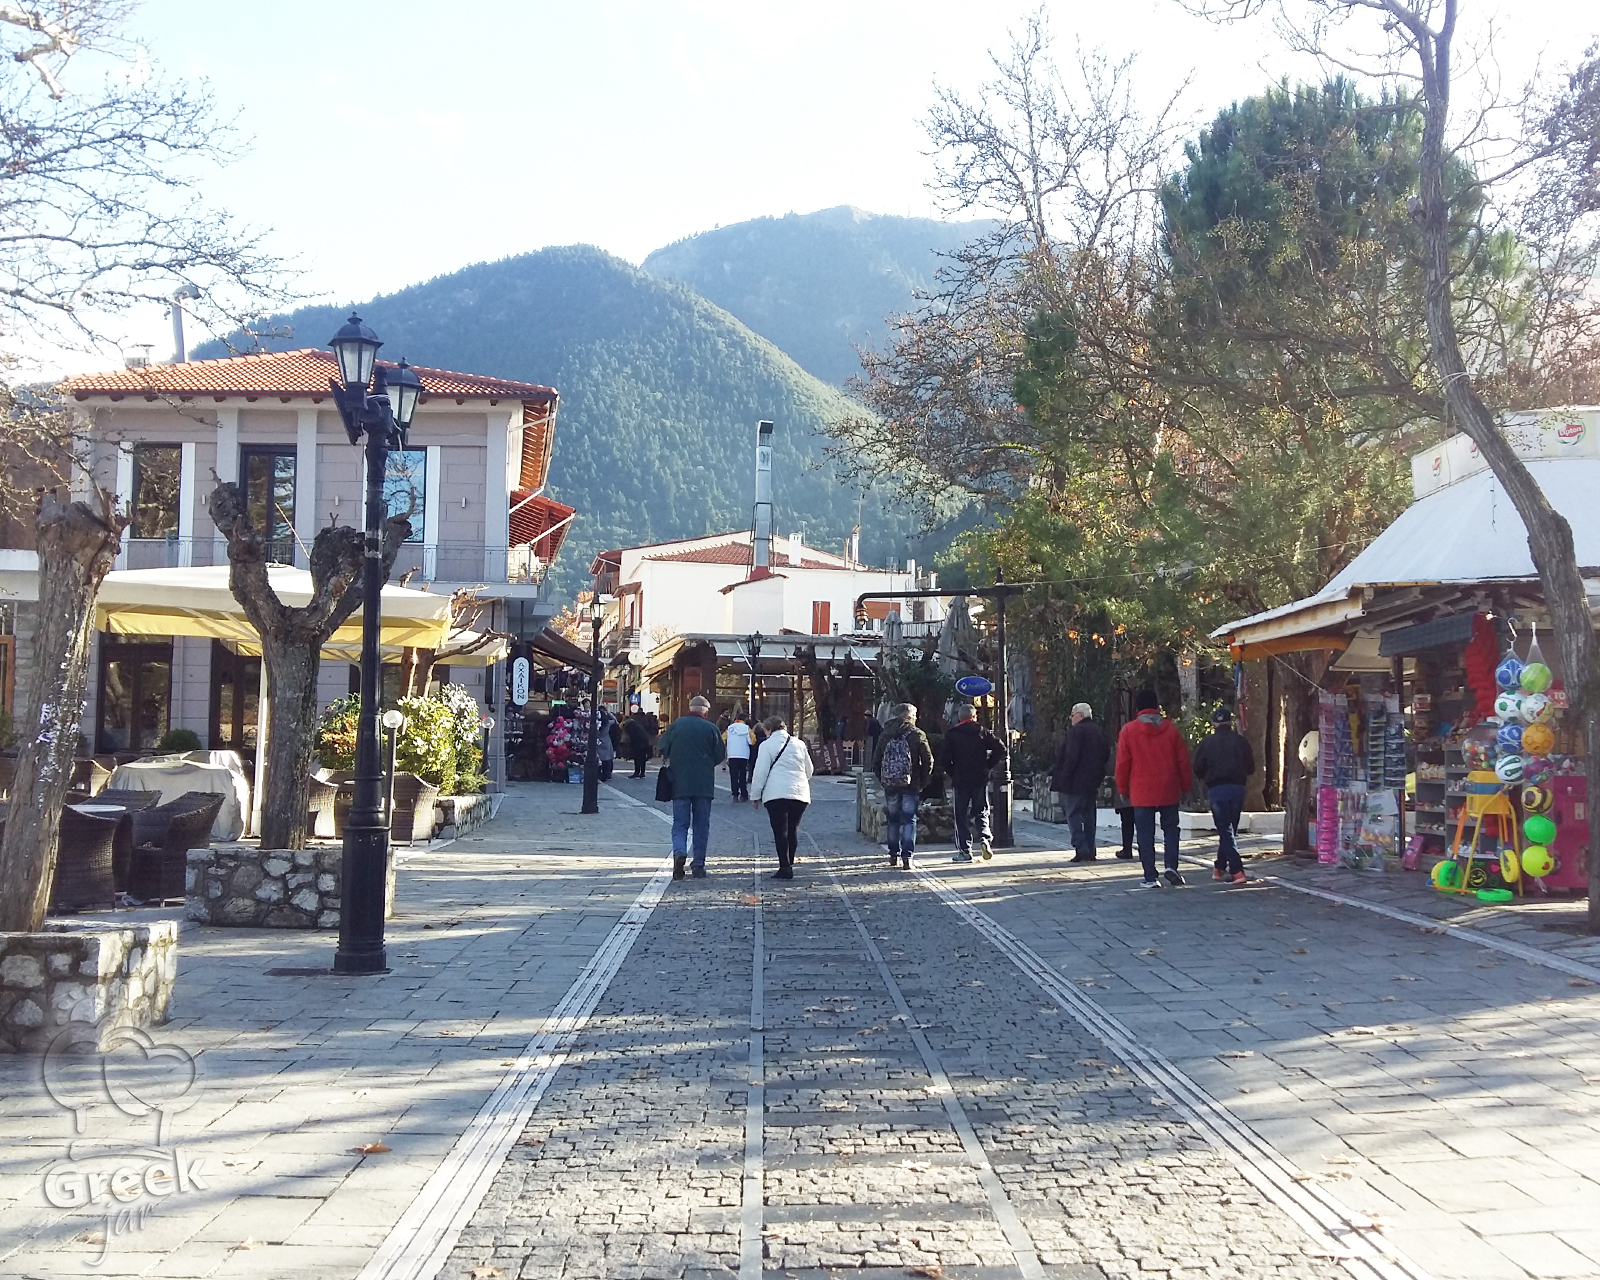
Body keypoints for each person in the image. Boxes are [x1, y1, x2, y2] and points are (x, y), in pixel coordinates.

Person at [1114, 689, 1194, 889]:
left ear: (1137, 707)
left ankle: (1150, 876)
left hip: (1141, 790)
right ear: (1157, 706)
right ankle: (1171, 866)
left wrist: (1122, 789)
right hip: (1168, 788)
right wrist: (1186, 786)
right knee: (1171, 828)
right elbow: (1182, 761)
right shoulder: (1171, 730)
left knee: (1145, 833)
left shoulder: (1129, 731)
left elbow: (1123, 764)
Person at [656, 695, 726, 880]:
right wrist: (707, 763)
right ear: (706, 712)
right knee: (701, 825)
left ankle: (679, 851)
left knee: (680, 823)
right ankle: (698, 865)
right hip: (704, 784)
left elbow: (662, 746)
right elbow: (720, 754)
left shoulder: (677, 725)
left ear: (690, 708)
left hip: (679, 783)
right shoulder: (711, 728)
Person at [1192, 705, 1256, 884]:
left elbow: (1197, 768)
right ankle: (1219, 867)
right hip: (1237, 789)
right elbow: (1251, 767)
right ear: (1230, 722)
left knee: (1225, 830)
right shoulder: (1241, 742)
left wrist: (1207, 777)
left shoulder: (1207, 743)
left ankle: (1237, 870)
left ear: (1214, 723)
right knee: (1229, 830)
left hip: (1217, 789)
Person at [937, 701, 1005, 863]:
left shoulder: (952, 734)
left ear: (959, 718)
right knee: (981, 810)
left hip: (960, 779)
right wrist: (987, 765)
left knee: (961, 815)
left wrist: (953, 772)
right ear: (974, 716)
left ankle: (965, 851)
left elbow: (944, 759)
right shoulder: (982, 732)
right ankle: (984, 839)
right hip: (979, 778)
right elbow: (1001, 748)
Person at [748, 715, 814, 880]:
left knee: (780, 831)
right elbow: (809, 770)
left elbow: (760, 772)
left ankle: (784, 867)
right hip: (799, 793)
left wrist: (755, 795)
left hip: (776, 794)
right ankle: (789, 862)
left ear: (769, 729)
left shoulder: (766, 745)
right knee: (792, 829)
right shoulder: (799, 744)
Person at [872, 702, 933, 870]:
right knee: (909, 819)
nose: (916, 719)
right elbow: (928, 760)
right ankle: (907, 857)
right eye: (914, 716)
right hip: (911, 785)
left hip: (890, 784)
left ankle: (893, 855)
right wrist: (922, 781)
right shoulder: (917, 734)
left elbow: (876, 761)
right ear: (908, 716)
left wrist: (884, 779)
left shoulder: (885, 734)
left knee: (893, 819)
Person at [1051, 702, 1111, 863]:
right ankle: (1090, 849)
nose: (1071, 718)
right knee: (1089, 816)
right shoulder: (1098, 731)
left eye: (1073, 714)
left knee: (1073, 814)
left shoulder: (1076, 732)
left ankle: (1081, 847)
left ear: (1081, 715)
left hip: (1076, 781)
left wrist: (1064, 776)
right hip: (1092, 781)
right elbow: (1106, 754)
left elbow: (1071, 757)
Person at [725, 709, 754, 803]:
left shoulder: (729, 728)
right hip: (743, 754)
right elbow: (752, 741)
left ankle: (735, 795)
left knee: (733, 775)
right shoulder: (747, 728)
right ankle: (743, 794)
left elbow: (723, 738)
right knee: (742, 775)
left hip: (732, 754)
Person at [624, 709, 652, 778]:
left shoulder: (630, 726)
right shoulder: (638, 724)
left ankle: (637, 772)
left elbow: (632, 736)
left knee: (637, 758)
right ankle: (642, 773)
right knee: (642, 758)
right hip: (644, 741)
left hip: (638, 743)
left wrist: (630, 744)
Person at [595, 706, 618, 782]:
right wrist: (609, 713)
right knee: (607, 759)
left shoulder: (596, 724)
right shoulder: (608, 723)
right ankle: (607, 774)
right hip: (606, 741)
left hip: (598, 741)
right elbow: (615, 720)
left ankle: (598, 774)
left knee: (599, 759)